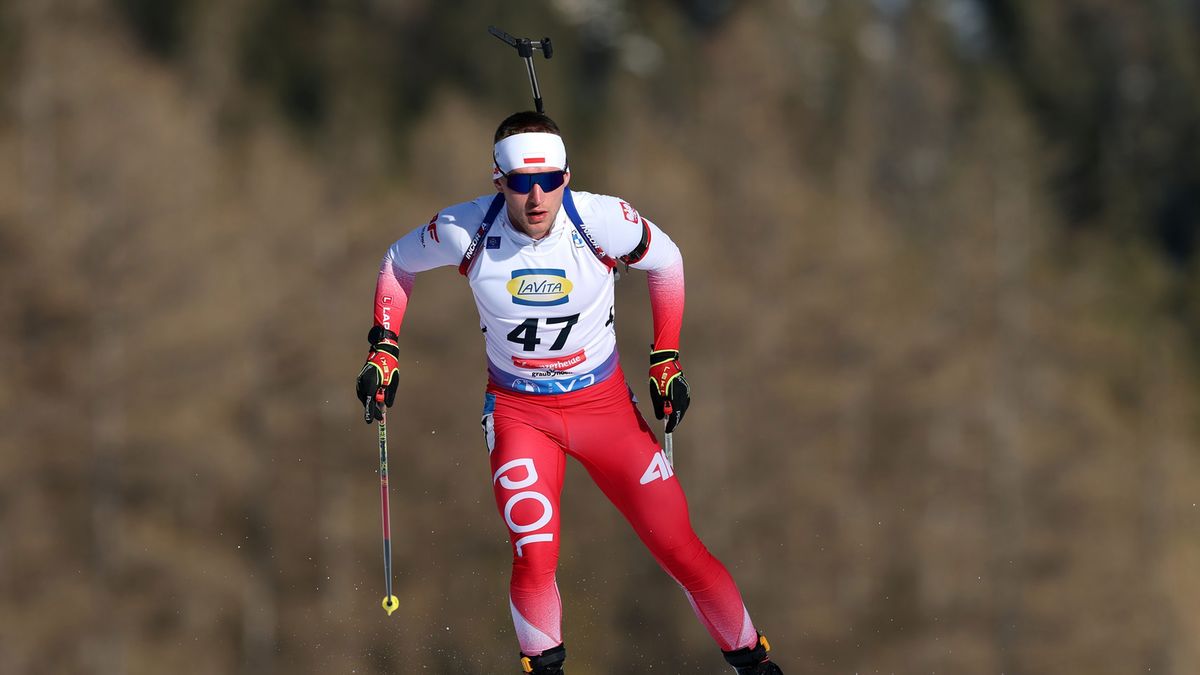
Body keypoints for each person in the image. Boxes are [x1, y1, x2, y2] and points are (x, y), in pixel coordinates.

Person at [356, 111, 784, 674]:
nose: (537, 197)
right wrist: (384, 347)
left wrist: (665, 359)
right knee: (535, 558)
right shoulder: (466, 230)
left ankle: (755, 665)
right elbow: (397, 263)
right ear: (497, 180)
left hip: (603, 408)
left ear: (566, 176)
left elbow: (667, 262)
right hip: (519, 413)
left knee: (681, 548)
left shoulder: (600, 220)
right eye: (520, 182)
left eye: (550, 180)